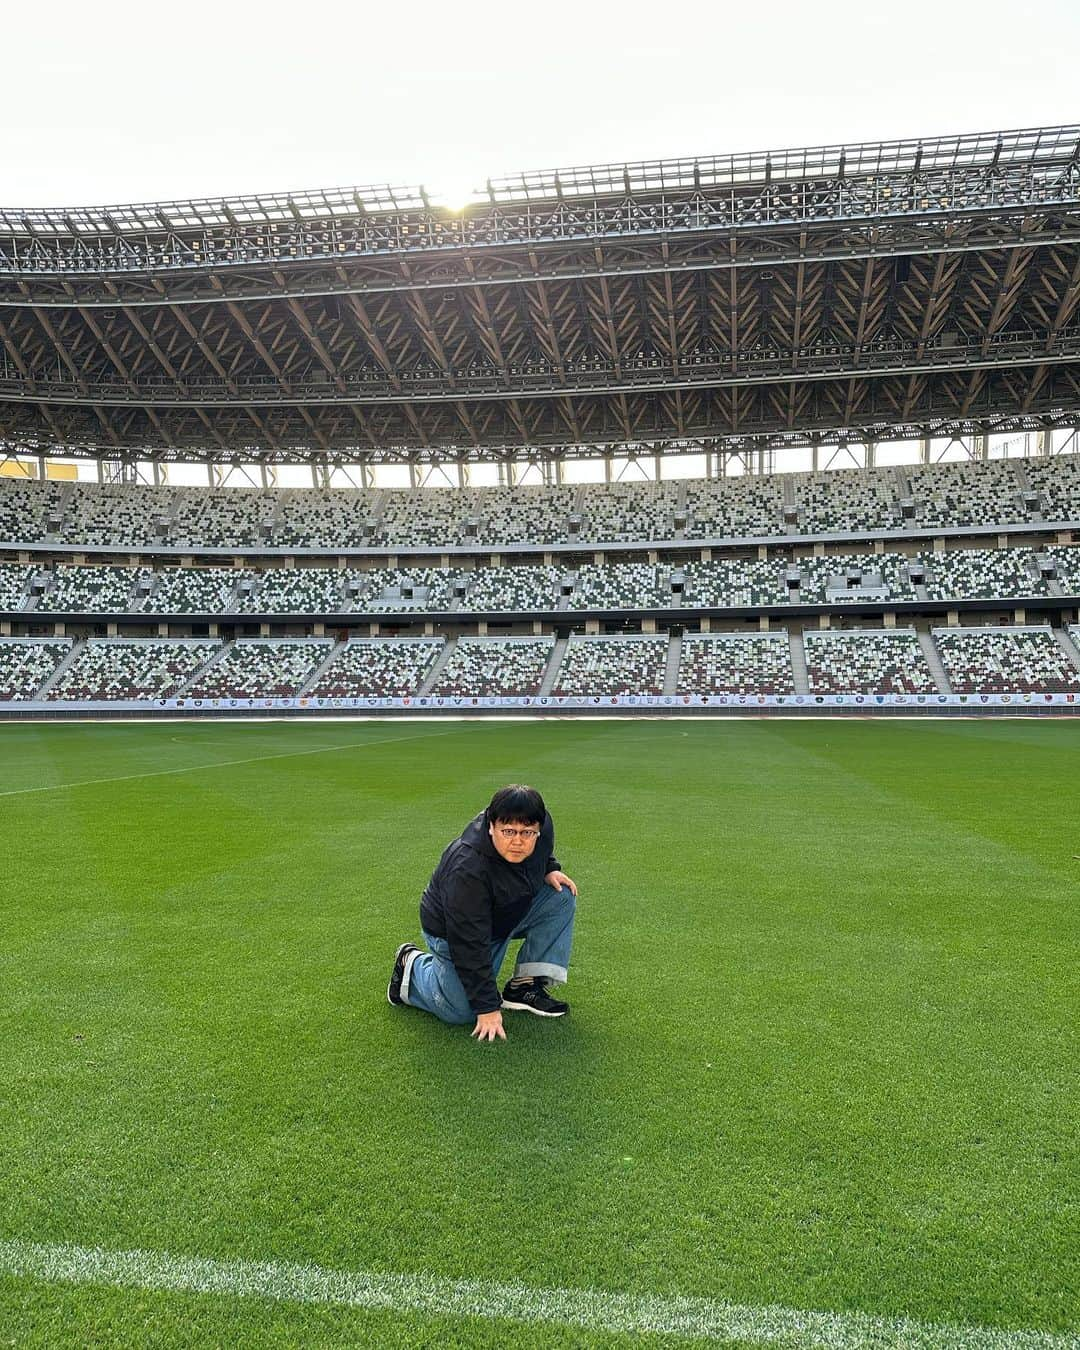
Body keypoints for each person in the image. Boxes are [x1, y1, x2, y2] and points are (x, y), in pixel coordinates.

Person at [387, 784, 577, 1042]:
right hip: (454, 933)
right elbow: (468, 941)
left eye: (527, 833)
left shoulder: (540, 825)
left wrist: (549, 868)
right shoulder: (467, 868)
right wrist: (487, 1007)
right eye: (508, 831)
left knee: (560, 897)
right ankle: (411, 965)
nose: (518, 841)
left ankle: (524, 987)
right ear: (491, 826)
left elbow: (543, 852)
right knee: (461, 1012)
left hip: (505, 913)